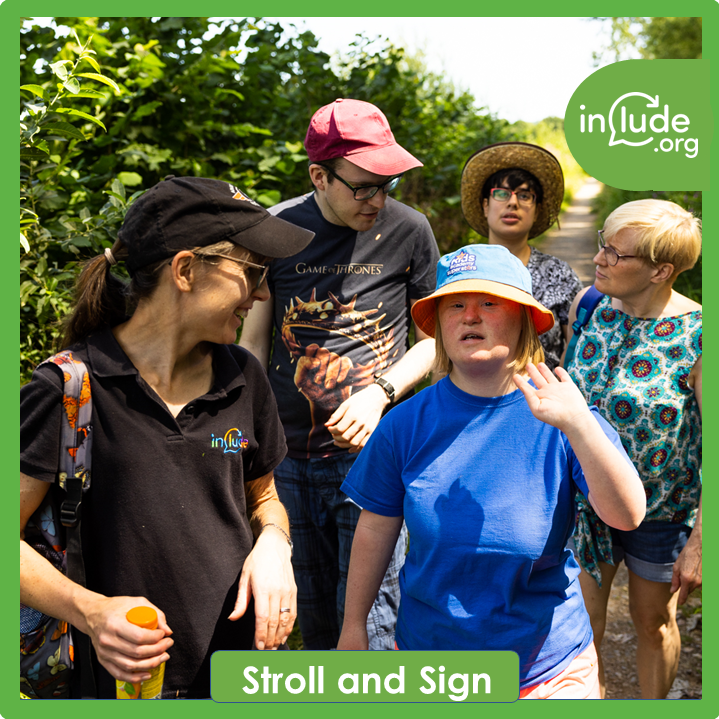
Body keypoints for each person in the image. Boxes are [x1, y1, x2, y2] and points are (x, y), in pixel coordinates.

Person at [20, 177, 314, 698]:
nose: (264, 292)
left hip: (237, 681)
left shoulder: (244, 379)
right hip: (118, 686)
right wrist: (91, 611)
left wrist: (274, 542)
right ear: (185, 270)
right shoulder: (67, 389)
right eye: (252, 270)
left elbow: (263, 498)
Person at [336, 244, 646, 699]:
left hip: (547, 666)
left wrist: (580, 425)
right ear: (439, 324)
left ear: (524, 318)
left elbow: (627, 516)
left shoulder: (564, 412)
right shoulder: (405, 424)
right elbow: (374, 531)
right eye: (455, 305)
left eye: (490, 303)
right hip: (431, 662)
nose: (470, 316)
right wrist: (353, 628)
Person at [239, 98, 440, 650]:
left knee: (374, 616)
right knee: (316, 615)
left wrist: (381, 393)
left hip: (375, 457)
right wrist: (248, 438)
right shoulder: (275, 230)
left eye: (387, 184)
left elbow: (433, 342)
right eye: (363, 186)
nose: (377, 200)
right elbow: (252, 341)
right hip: (288, 459)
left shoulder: (410, 231)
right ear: (318, 176)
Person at [565, 199, 702, 699]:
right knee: (580, 630)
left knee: (653, 623)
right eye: (602, 242)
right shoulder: (591, 308)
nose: (599, 258)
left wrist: (701, 543)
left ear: (660, 271)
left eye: (615, 254)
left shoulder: (699, 336)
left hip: (661, 514)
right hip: (586, 504)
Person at [461, 142, 583, 371]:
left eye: (525, 196)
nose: (513, 202)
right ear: (485, 206)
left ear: (537, 210)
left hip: (542, 399)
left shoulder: (559, 274)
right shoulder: (463, 268)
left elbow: (577, 347)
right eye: (501, 193)